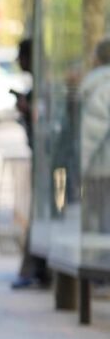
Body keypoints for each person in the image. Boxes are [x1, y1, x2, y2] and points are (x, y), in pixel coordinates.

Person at [11, 38, 51, 289]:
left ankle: (39, 268)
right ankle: (36, 267)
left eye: (21, 56)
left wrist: (28, 109)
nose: (18, 62)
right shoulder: (40, 82)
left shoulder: (45, 83)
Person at [79, 38, 110, 234]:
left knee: (98, 219)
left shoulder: (100, 86)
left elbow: (92, 131)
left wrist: (81, 165)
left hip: (101, 168)